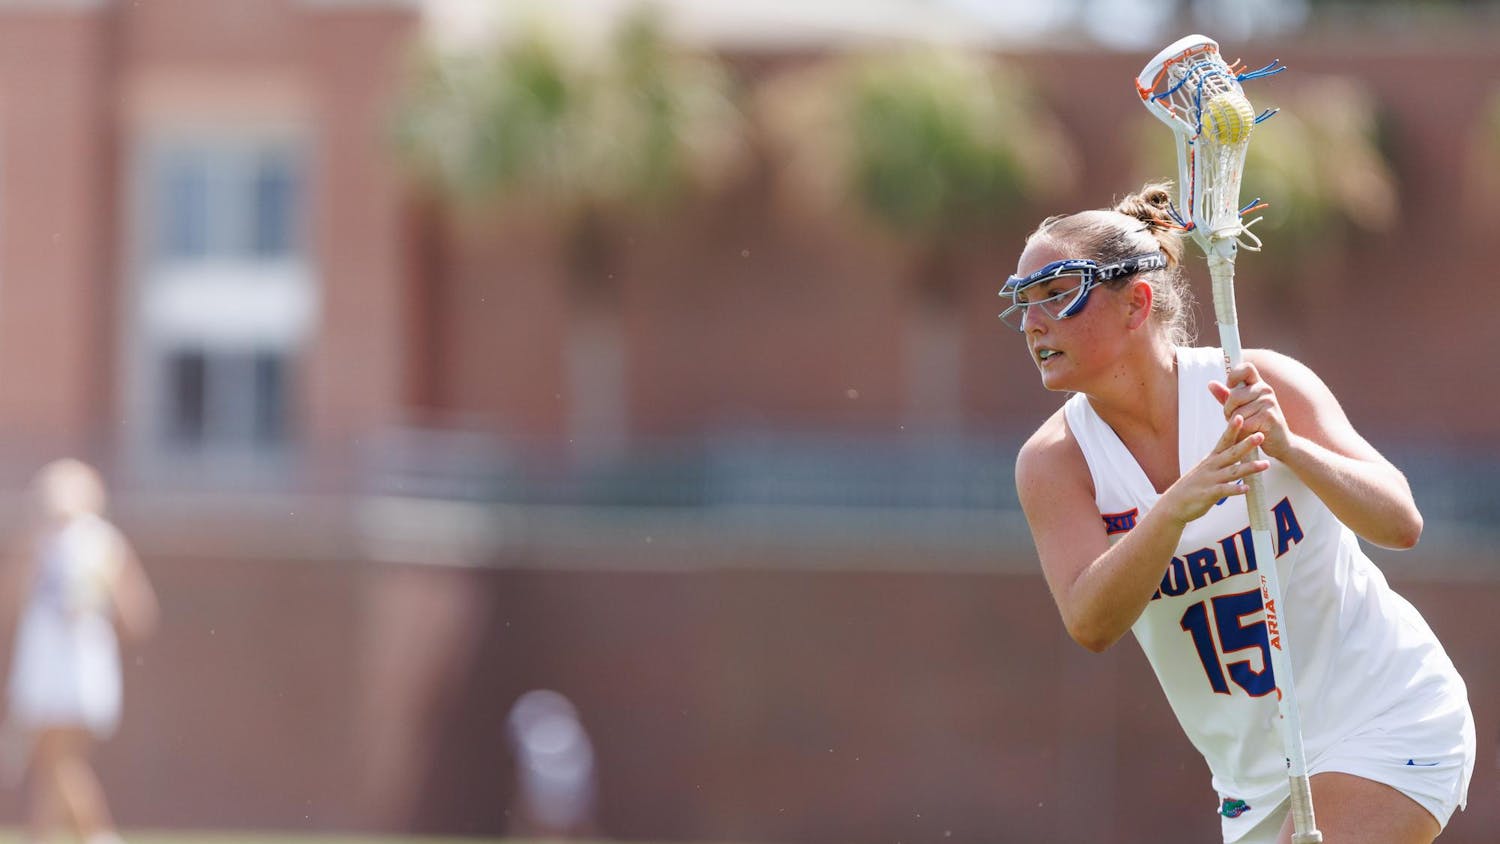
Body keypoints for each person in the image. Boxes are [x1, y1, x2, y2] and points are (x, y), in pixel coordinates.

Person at [1005, 184, 1474, 844]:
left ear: (1137, 303)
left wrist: (1290, 447)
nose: (1033, 322)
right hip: (1253, 782)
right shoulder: (1055, 463)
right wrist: (1175, 509)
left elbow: (1401, 522)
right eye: (1025, 303)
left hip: (1384, 714)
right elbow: (1091, 621)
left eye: (1057, 294)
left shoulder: (1259, 381)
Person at [1, 459, 159, 844]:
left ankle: (99, 836)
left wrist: (92, 626)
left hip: (76, 669)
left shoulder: (102, 544)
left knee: (58, 762)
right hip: (45, 666)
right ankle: (53, 837)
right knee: (52, 764)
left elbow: (137, 613)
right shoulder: (39, 543)